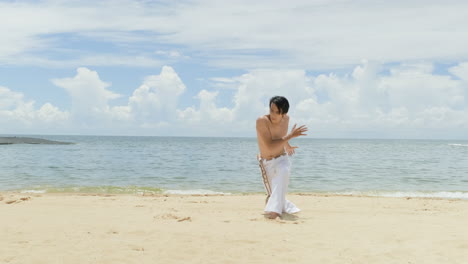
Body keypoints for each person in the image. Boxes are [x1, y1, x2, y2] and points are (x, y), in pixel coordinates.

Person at [256, 96, 308, 219]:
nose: (273, 114)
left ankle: (275, 213)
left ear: (284, 114)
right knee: (272, 194)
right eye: (271, 110)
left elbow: (281, 135)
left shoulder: (286, 119)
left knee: (284, 172)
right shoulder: (262, 121)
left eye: (277, 112)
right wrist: (290, 136)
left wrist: (287, 145)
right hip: (266, 162)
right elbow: (269, 146)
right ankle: (275, 205)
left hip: (281, 158)